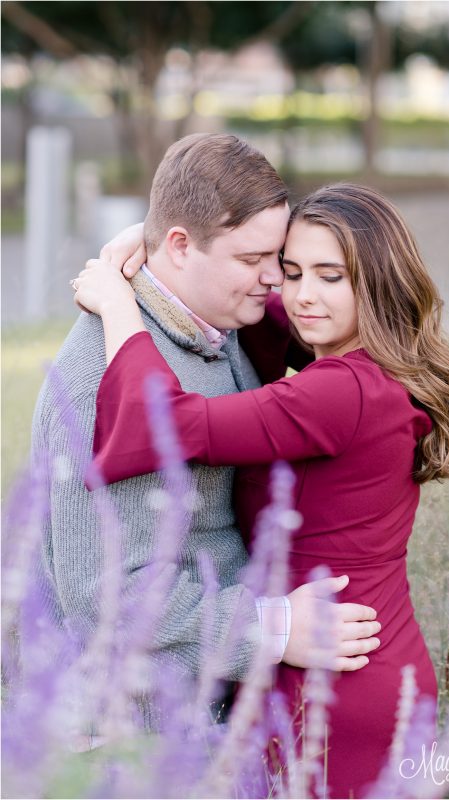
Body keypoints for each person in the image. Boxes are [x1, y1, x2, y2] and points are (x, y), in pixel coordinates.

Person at [73, 182, 449, 797]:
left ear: (374, 281)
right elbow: (255, 303)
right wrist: (160, 244)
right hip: (361, 661)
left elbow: (171, 424)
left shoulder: (341, 390)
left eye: (330, 275)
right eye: (291, 271)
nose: (302, 294)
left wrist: (118, 306)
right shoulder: (374, 361)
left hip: (335, 685)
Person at [31, 135, 380, 744]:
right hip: (133, 742)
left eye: (277, 254)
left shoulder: (220, 319)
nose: (276, 279)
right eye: (254, 259)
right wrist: (274, 628)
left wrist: (139, 236)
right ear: (181, 247)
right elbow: (107, 599)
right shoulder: (99, 383)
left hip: (214, 717)